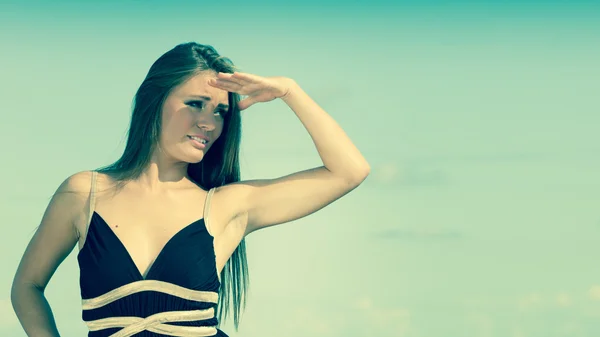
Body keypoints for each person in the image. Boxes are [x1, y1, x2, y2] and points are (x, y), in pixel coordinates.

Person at [10, 42, 370, 337]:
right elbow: (27, 285)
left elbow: (349, 171)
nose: (208, 122)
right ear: (155, 101)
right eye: (196, 104)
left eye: (220, 112)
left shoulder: (225, 206)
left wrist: (290, 91)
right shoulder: (83, 194)